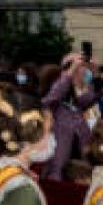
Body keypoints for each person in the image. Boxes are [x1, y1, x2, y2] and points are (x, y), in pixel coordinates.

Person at [39, 53, 97, 181]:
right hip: (58, 165)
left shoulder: (72, 100)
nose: (80, 69)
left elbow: (87, 101)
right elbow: (50, 98)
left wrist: (91, 74)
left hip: (77, 158)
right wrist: (70, 72)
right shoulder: (54, 102)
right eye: (76, 66)